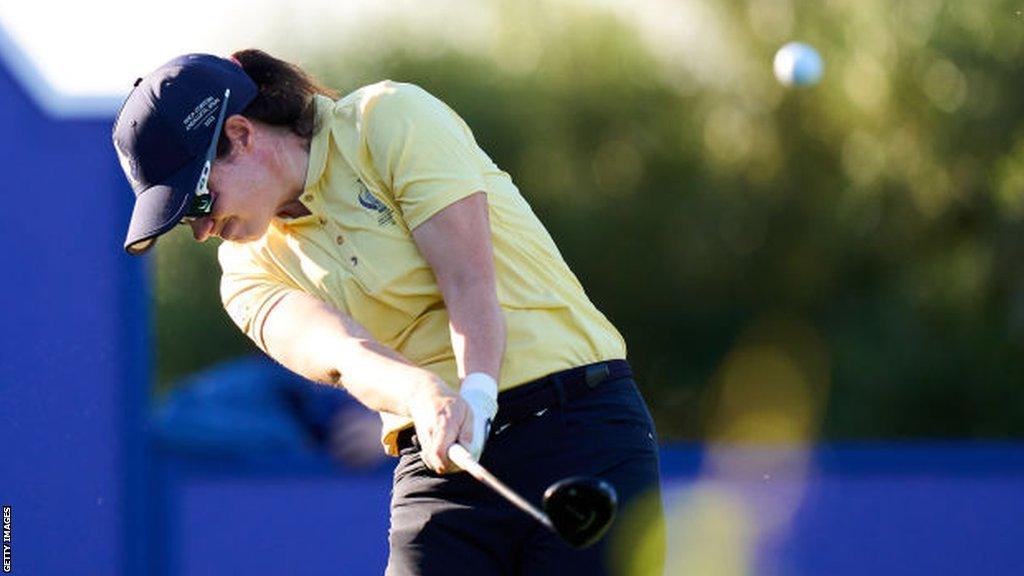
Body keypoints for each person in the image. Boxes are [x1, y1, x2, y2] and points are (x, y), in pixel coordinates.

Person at [113, 50, 664, 575]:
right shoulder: (243, 274)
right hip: (440, 458)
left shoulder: (387, 117)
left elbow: (468, 280)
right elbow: (345, 355)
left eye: (200, 200)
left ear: (240, 134)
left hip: (578, 423)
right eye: (186, 220)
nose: (204, 229)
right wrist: (423, 396)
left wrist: (476, 394)